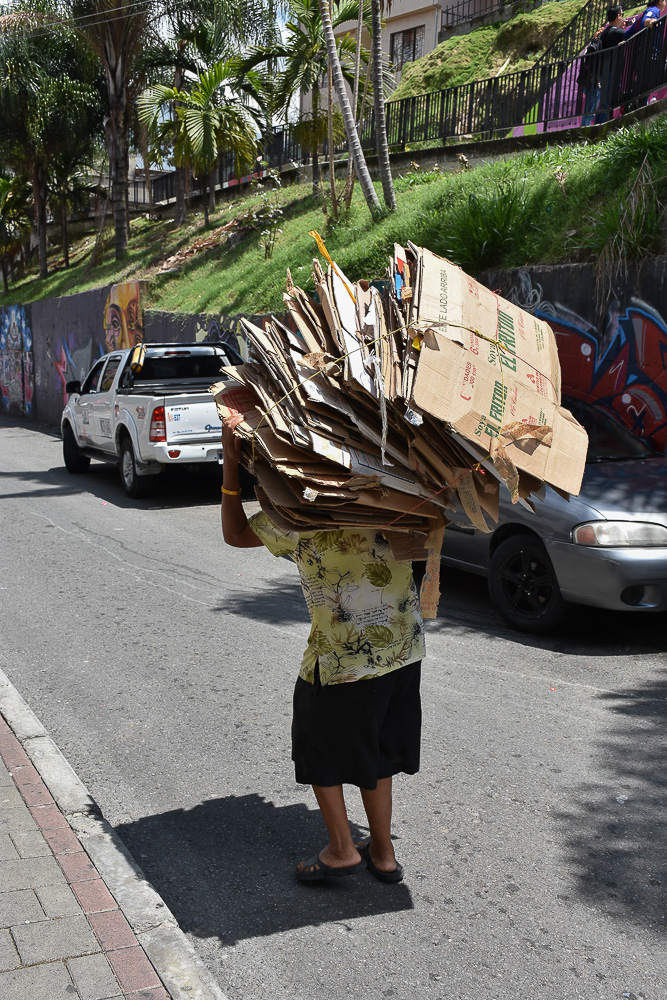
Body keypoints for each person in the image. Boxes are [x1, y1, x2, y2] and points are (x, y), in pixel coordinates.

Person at [220, 413, 425, 883]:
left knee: (318, 751)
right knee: (377, 752)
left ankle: (341, 850)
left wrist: (231, 464)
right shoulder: (392, 496)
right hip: (404, 652)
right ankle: (383, 852)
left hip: (341, 663)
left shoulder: (303, 518)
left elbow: (235, 534)